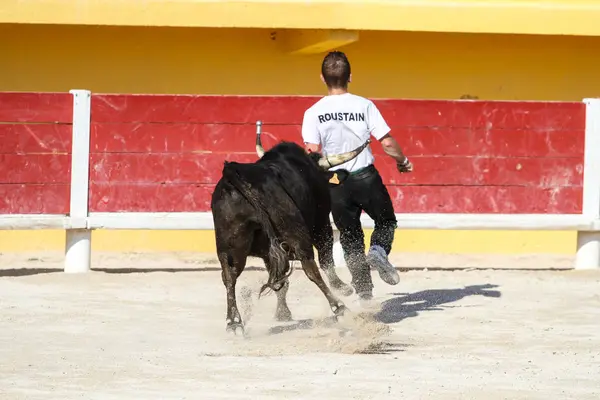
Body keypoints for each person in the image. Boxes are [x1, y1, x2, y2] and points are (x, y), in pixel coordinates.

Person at [301, 50, 413, 304]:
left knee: (351, 237)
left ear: (322, 78)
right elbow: (386, 143)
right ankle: (378, 250)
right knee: (385, 222)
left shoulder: (313, 112)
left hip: (335, 183)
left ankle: (365, 295)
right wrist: (403, 161)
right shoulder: (364, 105)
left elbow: (312, 152)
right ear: (350, 77)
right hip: (365, 177)